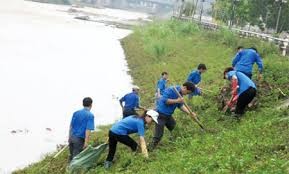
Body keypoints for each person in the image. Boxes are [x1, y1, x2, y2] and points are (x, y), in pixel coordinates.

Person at [149, 82, 197, 150]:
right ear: (185, 88)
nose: (187, 94)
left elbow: (180, 105)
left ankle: (175, 144)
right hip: (160, 115)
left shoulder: (180, 94)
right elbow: (165, 100)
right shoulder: (171, 90)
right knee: (158, 136)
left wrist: (190, 113)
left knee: (175, 130)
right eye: (187, 92)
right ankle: (148, 150)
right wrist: (177, 101)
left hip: (168, 116)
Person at [68, 97, 95, 162]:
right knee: (76, 159)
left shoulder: (76, 113)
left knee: (71, 156)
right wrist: (86, 142)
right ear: (91, 104)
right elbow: (88, 130)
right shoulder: (90, 115)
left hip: (72, 137)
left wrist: (69, 137)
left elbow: (71, 126)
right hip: (79, 140)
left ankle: (69, 169)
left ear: (83, 104)